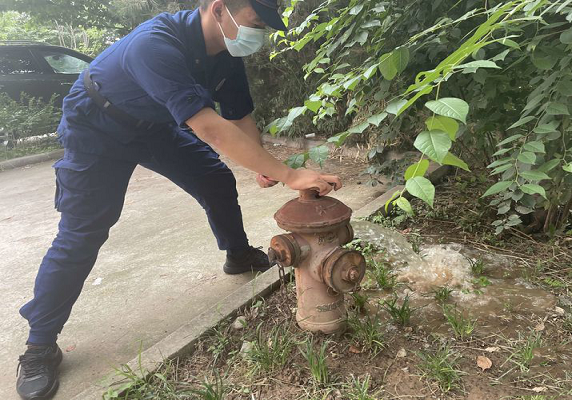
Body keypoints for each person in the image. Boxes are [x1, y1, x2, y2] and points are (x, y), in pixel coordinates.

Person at [15, 1, 341, 398]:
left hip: (154, 125)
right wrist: (290, 174)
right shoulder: (155, 44)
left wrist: (263, 165)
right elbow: (209, 128)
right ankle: (39, 345)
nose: (258, 35)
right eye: (255, 23)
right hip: (97, 124)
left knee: (214, 178)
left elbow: (238, 116)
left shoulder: (225, 53)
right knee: (83, 231)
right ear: (219, 9)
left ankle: (238, 254)